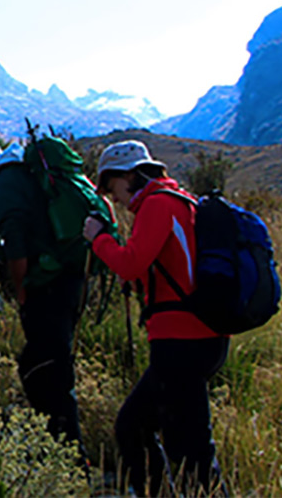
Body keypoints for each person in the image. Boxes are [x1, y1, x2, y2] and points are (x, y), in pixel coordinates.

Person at [80, 139, 227, 495]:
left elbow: (131, 263)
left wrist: (98, 239)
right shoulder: (182, 201)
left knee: (161, 436)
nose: (112, 197)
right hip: (202, 335)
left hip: (181, 339)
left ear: (129, 174)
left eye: (111, 186)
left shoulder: (158, 205)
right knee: (169, 434)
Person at [0, 138, 86, 447]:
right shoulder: (29, 172)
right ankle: (56, 443)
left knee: (46, 369)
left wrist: (20, 290)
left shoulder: (5, 179)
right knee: (45, 363)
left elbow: (14, 240)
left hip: (45, 284)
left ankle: (68, 454)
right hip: (69, 276)